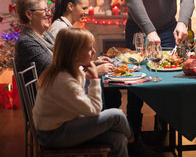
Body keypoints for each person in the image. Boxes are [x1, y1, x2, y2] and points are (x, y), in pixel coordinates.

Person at [125, 0, 194, 156]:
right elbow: (134, 0)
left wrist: (182, 23)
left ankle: (162, 129)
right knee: (136, 79)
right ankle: (134, 134)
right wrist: (149, 30)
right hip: (139, 28)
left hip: (167, 28)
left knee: (168, 76)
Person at [33, 28, 132, 157]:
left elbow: (80, 81)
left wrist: (89, 71)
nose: (94, 52)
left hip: (61, 125)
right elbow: (94, 110)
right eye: (89, 49)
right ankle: (133, 142)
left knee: (118, 139)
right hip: (53, 134)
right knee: (117, 115)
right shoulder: (64, 80)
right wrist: (95, 78)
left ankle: (129, 142)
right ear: (75, 54)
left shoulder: (66, 70)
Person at [49, 0, 121, 108]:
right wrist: (94, 72)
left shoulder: (64, 26)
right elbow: (64, 69)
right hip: (67, 91)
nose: (86, 12)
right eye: (83, 8)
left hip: (71, 82)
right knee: (113, 96)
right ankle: (102, 122)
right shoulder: (61, 30)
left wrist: (94, 63)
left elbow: (71, 61)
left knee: (113, 94)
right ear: (70, 6)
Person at [15, 0, 54, 78]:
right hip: (43, 90)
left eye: (48, 10)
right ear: (29, 14)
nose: (49, 14)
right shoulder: (26, 42)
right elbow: (52, 69)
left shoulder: (47, 35)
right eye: (44, 10)